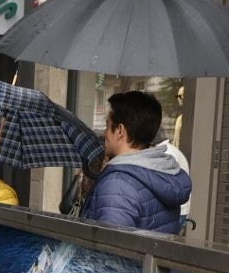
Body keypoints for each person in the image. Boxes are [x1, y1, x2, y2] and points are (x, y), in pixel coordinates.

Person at [81, 90, 191, 234]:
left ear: (120, 130)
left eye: (107, 126)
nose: (105, 133)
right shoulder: (163, 172)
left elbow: (111, 250)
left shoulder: (117, 186)